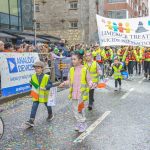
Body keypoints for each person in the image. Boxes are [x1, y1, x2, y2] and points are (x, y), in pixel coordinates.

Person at [59, 50, 93, 133]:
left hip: (81, 94)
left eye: (74, 59)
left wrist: (93, 84)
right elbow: (69, 81)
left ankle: (83, 123)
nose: (72, 61)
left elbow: (89, 80)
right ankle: (79, 122)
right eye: (72, 59)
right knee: (74, 109)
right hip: (74, 93)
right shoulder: (71, 70)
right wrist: (64, 83)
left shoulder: (84, 69)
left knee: (80, 109)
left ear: (80, 60)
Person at [26, 61, 54, 127]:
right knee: (34, 106)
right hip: (36, 95)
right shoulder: (33, 76)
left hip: (44, 95)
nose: (36, 69)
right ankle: (31, 120)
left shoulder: (46, 76)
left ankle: (50, 114)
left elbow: (50, 84)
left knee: (48, 105)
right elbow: (33, 85)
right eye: (35, 68)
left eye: (38, 68)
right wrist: (31, 84)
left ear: (42, 69)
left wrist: (46, 87)